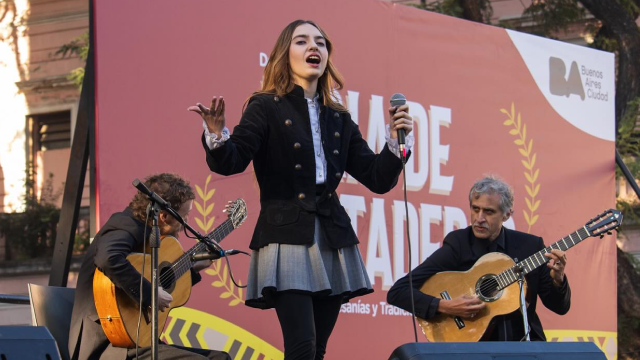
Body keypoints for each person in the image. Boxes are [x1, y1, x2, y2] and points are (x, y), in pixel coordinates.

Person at [189, 19, 413, 360]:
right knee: (302, 345)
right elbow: (231, 161)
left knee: (317, 349)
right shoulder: (265, 105)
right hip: (285, 234)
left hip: (333, 236)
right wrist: (217, 135)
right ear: (285, 54)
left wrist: (398, 144)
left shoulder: (338, 117)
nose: (314, 48)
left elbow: (377, 178)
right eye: (302, 41)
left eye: (320, 43)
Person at [387, 175, 571, 341]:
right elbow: (398, 292)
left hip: (523, 348)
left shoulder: (530, 247)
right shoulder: (459, 244)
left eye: (488, 212)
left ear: (507, 215)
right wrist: (444, 305)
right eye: (475, 209)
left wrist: (558, 281)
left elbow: (560, 308)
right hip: (473, 350)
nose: (479, 218)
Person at [68, 173, 231, 360]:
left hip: (135, 340)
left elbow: (157, 281)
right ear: (163, 216)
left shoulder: (149, 232)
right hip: (107, 343)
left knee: (220, 357)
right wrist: (150, 294)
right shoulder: (125, 225)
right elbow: (108, 258)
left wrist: (193, 268)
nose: (186, 223)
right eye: (184, 216)